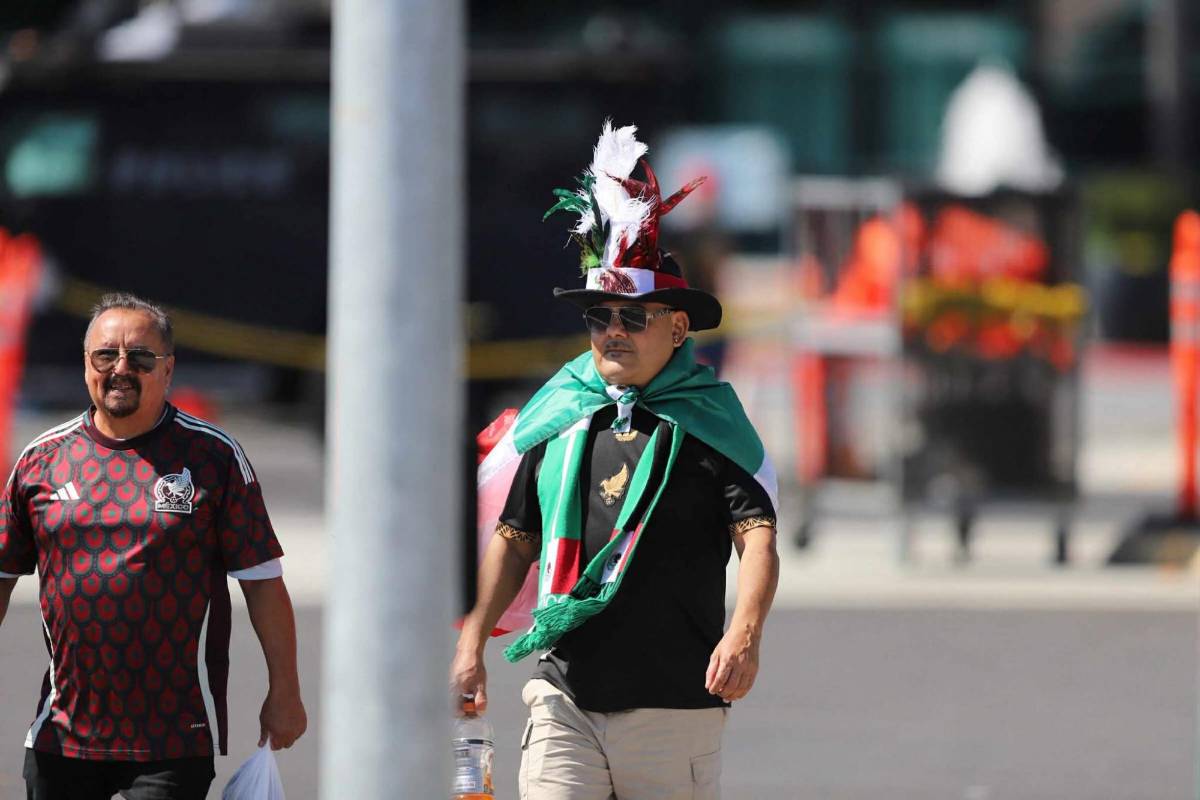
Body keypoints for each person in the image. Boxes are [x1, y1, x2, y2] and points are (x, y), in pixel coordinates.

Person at [452, 121, 779, 799]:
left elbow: (758, 536)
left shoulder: (712, 425)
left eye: (632, 317)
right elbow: (516, 539)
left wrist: (745, 634)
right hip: (563, 696)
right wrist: (472, 639)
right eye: (600, 317)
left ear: (678, 328)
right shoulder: (564, 414)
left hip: (676, 707)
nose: (612, 332)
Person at [0, 293, 306, 799]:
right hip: (62, 736)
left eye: (140, 357)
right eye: (106, 355)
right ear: (85, 365)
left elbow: (264, 584)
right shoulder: (40, 461)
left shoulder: (214, 457)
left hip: (173, 739)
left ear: (167, 370)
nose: (121, 368)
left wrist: (286, 691)